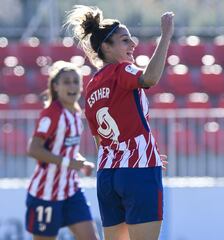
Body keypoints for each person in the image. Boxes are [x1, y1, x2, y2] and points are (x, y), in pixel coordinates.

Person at [65, 5, 174, 240]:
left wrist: (145, 152)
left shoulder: (92, 85)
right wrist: (166, 35)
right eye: (125, 41)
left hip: (107, 175)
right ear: (106, 47)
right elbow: (150, 78)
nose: (133, 45)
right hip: (138, 171)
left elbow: (100, 141)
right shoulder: (121, 70)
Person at [26, 60, 99, 240]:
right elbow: (33, 149)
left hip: (71, 191)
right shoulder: (51, 113)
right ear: (56, 86)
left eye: (76, 81)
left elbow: (66, 149)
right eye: (66, 81)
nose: (72, 86)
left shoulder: (74, 113)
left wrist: (81, 163)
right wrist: (69, 163)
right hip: (45, 194)